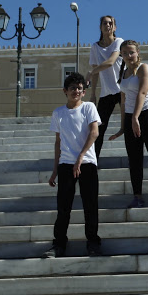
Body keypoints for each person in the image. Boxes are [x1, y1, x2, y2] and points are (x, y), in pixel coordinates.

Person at [43, 73, 102, 258]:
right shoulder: (58, 113)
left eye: (79, 88)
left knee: (90, 205)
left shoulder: (89, 107)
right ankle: (59, 244)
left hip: (87, 164)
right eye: (72, 88)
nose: (76, 91)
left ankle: (93, 242)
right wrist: (54, 171)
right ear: (65, 91)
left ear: (84, 92)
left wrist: (81, 157)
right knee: (63, 208)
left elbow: (94, 133)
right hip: (66, 165)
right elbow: (58, 142)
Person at [109, 40, 148, 208]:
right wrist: (123, 126)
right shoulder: (123, 73)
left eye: (131, 52)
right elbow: (123, 100)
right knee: (134, 158)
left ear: (138, 52)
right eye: (124, 53)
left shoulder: (144, 68)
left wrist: (135, 117)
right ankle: (137, 196)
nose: (128, 56)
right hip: (131, 116)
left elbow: (142, 91)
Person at [86, 15, 124, 159]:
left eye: (110, 23)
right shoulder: (95, 47)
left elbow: (110, 62)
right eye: (104, 23)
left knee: (129, 124)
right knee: (99, 128)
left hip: (122, 91)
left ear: (114, 27)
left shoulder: (119, 42)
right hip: (106, 93)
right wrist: (93, 94)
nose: (107, 25)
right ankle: (93, 161)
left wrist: (90, 73)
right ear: (100, 27)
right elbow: (96, 70)